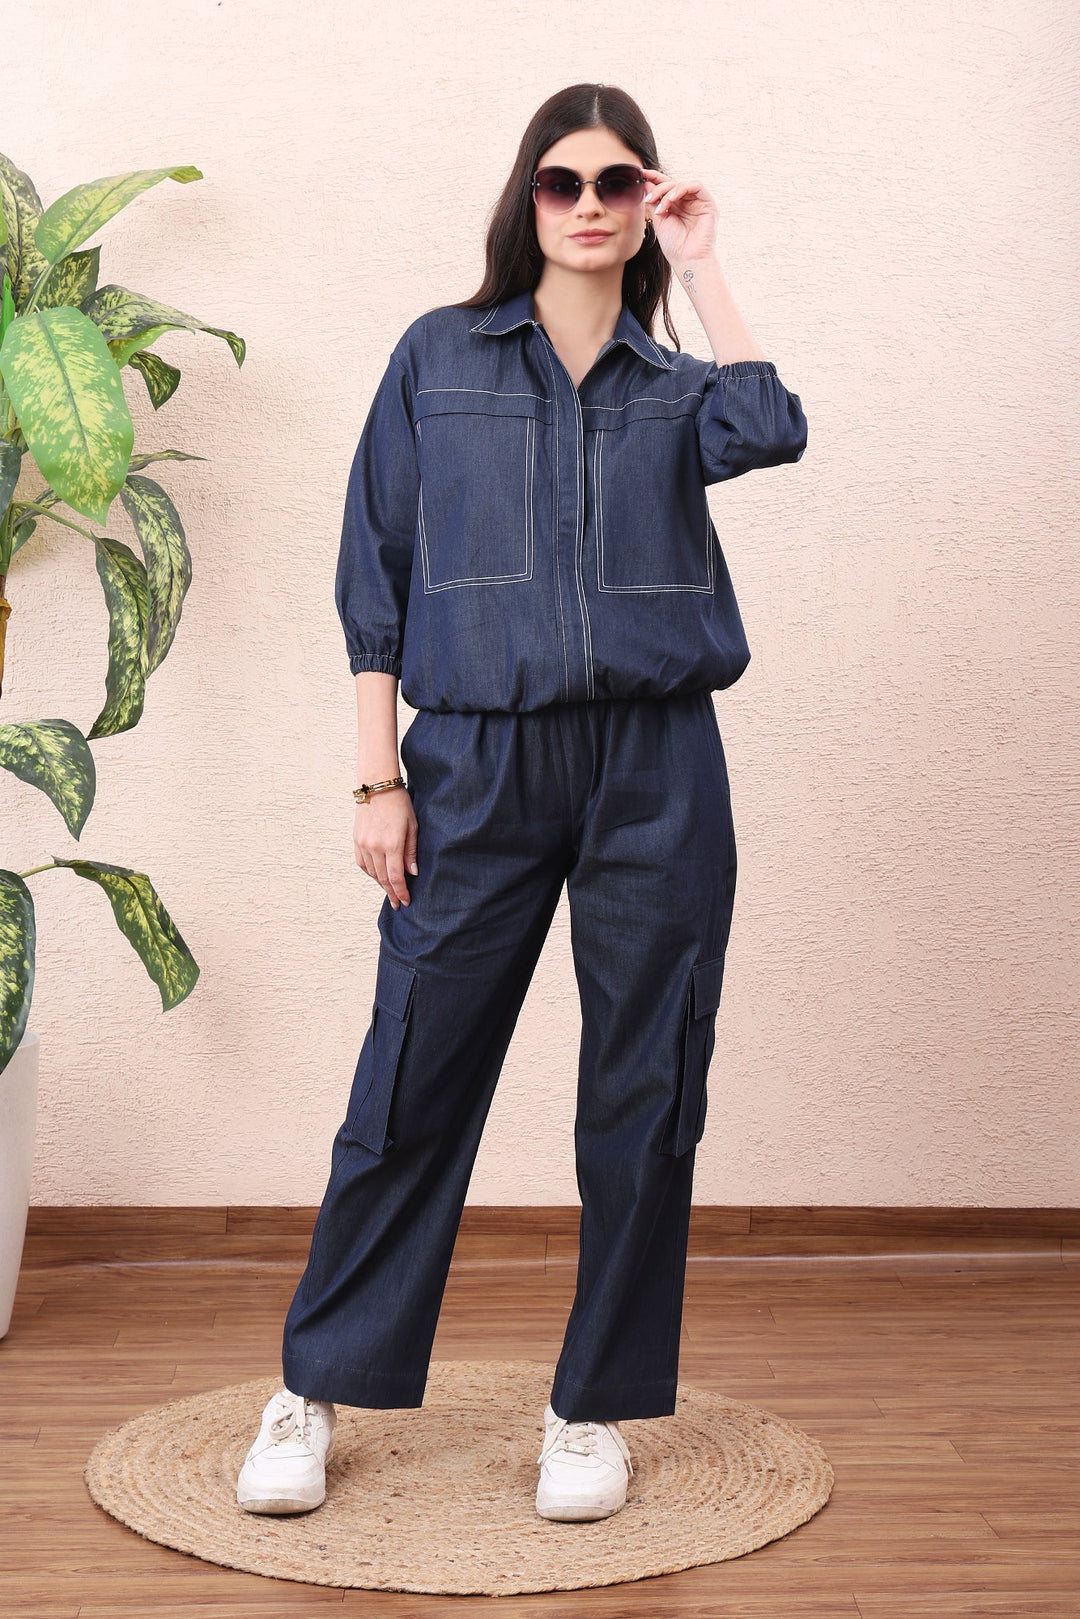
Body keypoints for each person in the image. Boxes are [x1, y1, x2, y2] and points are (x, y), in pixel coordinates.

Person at [237, 81, 807, 1525]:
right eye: (566, 182)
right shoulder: (439, 358)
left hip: (656, 768)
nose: (595, 205)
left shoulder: (677, 393)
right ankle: (311, 1386)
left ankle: (591, 1409)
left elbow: (775, 424)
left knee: (644, 1090)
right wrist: (379, 777)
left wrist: (711, 254)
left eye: (625, 183)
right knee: (412, 1073)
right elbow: (373, 574)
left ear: (649, 203)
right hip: (473, 765)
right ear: (527, 200)